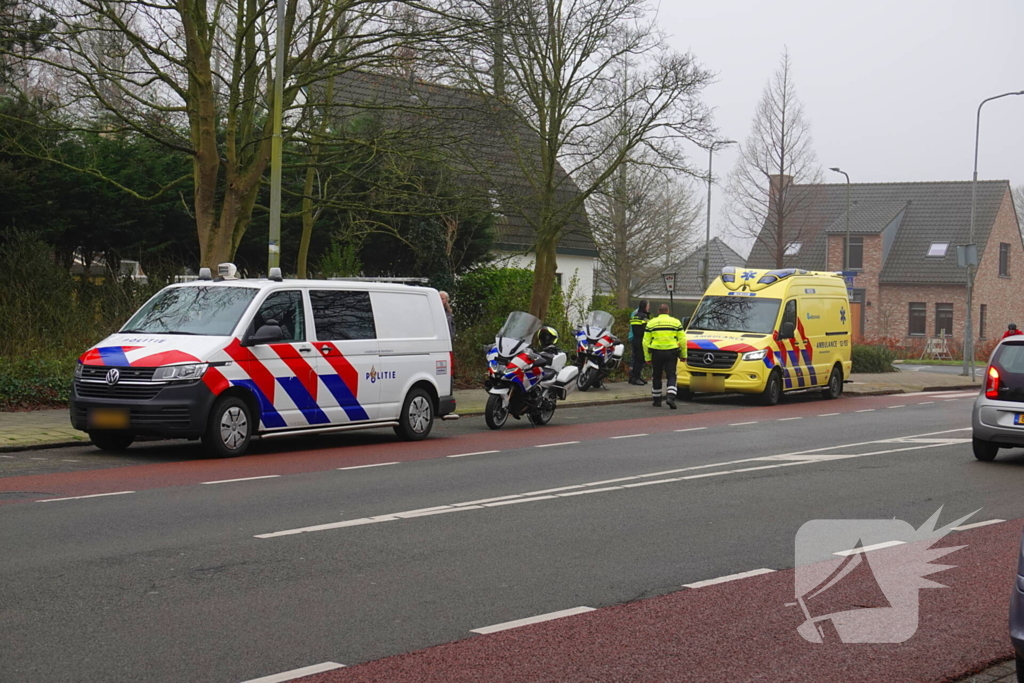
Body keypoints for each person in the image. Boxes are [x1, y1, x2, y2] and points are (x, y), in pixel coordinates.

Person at [643, 303, 686, 409]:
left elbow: (645, 341)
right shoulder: (676, 322)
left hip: (656, 352)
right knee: (671, 375)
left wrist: (647, 357)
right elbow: (683, 340)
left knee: (656, 375)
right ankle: (670, 397)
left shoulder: (651, 323)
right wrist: (683, 355)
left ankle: (657, 400)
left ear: (658, 312)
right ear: (668, 311)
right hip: (671, 352)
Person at [628, 300, 650, 385]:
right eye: (648, 306)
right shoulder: (644, 317)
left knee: (636, 359)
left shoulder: (635, 316)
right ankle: (635, 378)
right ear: (645, 306)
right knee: (640, 360)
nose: (649, 307)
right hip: (641, 340)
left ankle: (635, 376)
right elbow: (646, 330)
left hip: (635, 339)